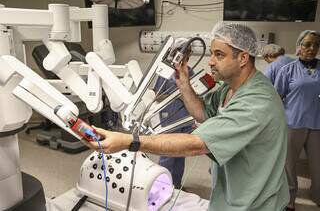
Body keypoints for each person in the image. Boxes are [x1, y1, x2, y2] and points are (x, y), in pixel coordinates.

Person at [82, 22, 290, 211]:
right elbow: (202, 113)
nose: (211, 62)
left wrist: (130, 141)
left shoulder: (256, 101)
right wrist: (183, 82)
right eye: (211, 54)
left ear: (243, 58)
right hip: (233, 193)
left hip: (257, 203)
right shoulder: (230, 88)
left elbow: (198, 144)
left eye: (219, 55)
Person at [274, 30, 320, 211]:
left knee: (318, 165)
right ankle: (289, 198)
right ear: (299, 46)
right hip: (292, 124)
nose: (312, 48)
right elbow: (277, 98)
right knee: (289, 165)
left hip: (317, 125)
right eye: (307, 44)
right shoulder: (287, 70)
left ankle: (318, 195)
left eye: (316, 45)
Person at [152, 37, 194, 189]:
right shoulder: (165, 71)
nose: (188, 57)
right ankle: (163, 186)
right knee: (168, 154)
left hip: (185, 117)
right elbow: (156, 95)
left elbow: (195, 94)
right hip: (169, 116)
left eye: (189, 54)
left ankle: (177, 184)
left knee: (181, 153)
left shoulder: (190, 71)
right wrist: (178, 94)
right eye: (185, 53)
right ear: (177, 52)